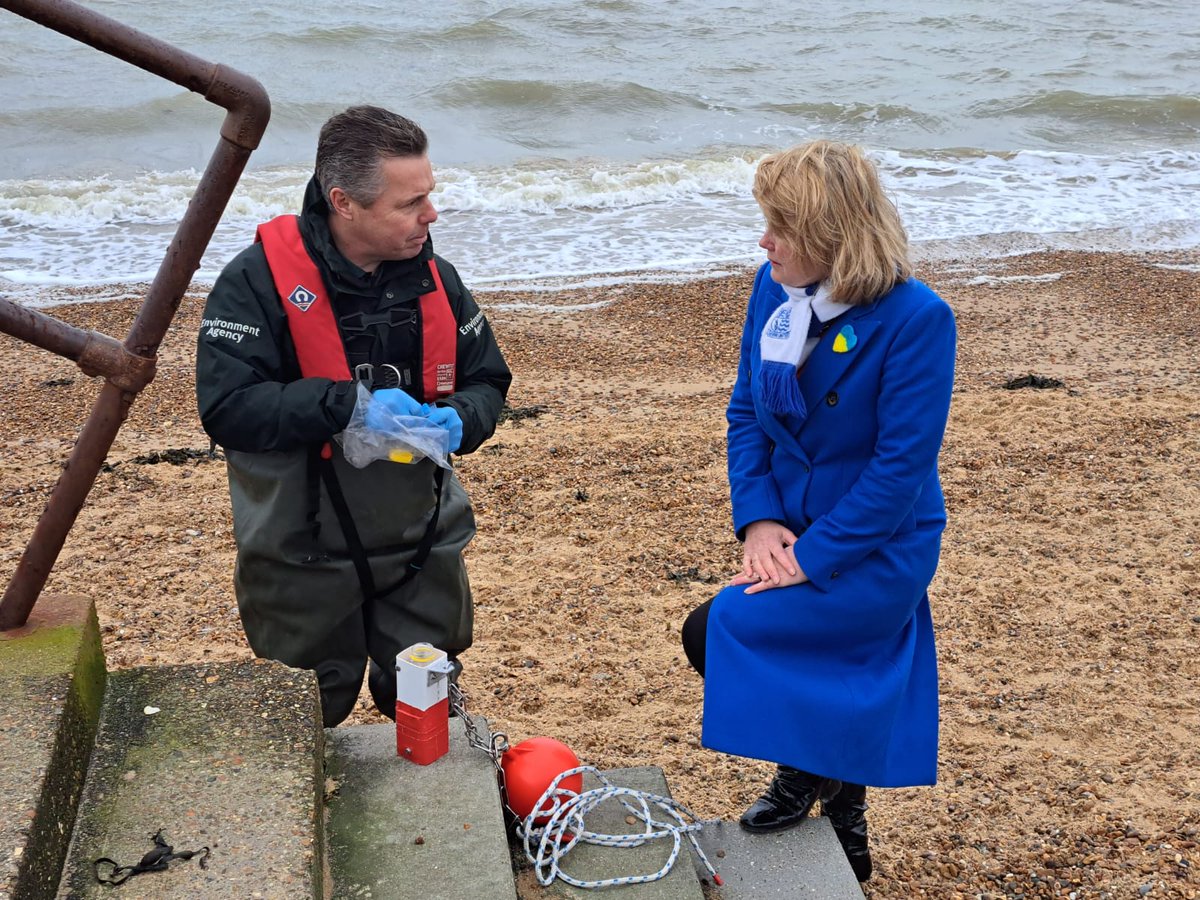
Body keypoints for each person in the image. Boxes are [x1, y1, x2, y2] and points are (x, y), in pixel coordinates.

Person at [680, 140, 956, 882]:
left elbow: (900, 471)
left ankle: (835, 795)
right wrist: (761, 521)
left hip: (875, 546)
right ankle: (824, 785)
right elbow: (745, 413)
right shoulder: (774, 289)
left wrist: (809, 557)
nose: (763, 241)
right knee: (742, 639)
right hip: (792, 525)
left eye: (780, 227)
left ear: (832, 238)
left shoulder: (917, 319)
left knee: (728, 628)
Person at [196, 106, 512, 728]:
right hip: (301, 547)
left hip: (421, 541)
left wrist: (462, 420)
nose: (431, 215)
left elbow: (487, 379)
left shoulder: (436, 278)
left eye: (429, 195)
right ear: (343, 202)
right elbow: (227, 408)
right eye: (409, 203)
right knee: (304, 712)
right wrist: (348, 406)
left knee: (427, 699)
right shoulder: (254, 282)